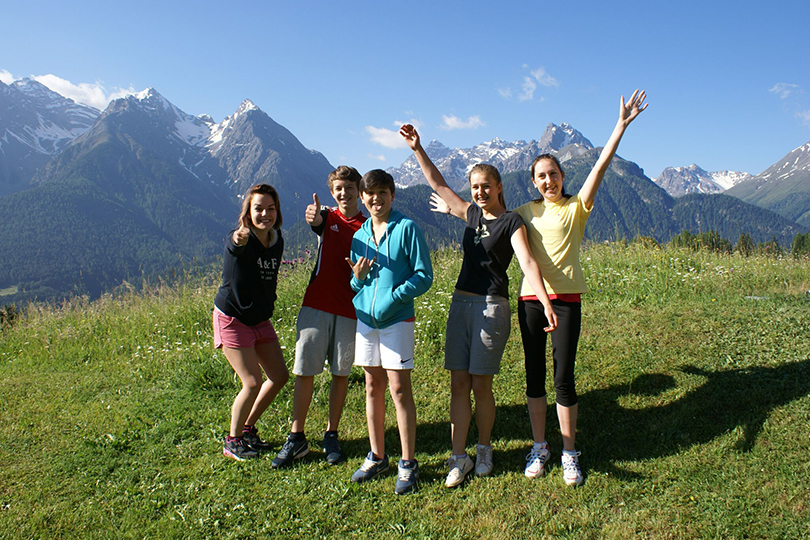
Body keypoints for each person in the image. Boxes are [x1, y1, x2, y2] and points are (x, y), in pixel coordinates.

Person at [400, 124, 558, 488]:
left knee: (481, 385)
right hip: (460, 304)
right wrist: (417, 149)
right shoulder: (470, 216)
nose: (480, 191)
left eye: (486, 185)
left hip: (492, 306)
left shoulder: (510, 222)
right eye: (475, 187)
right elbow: (439, 186)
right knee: (459, 382)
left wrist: (546, 302)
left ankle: (483, 449)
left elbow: (527, 263)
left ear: (499, 186)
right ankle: (460, 457)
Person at [516, 90, 648, 486]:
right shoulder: (523, 212)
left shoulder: (577, 207)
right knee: (534, 375)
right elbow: (480, 206)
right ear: (534, 182)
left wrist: (620, 125)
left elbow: (602, 167)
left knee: (564, 377)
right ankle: (541, 448)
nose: (548, 180)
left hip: (567, 300)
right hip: (529, 301)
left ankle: (570, 452)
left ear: (562, 177)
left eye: (554, 174)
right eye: (541, 176)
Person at [272, 166, 366, 468]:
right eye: (338, 188)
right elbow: (317, 221)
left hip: (351, 309)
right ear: (332, 192)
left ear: (359, 190)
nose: (344, 193)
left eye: (349, 187)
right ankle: (296, 436)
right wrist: (314, 217)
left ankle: (331, 434)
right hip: (316, 305)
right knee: (305, 371)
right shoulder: (328, 218)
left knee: (341, 373)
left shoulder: (368, 225)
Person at [346, 169, 433, 495]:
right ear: (362, 197)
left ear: (392, 195)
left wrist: (395, 297)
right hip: (366, 321)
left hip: (396, 319)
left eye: (382, 193)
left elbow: (424, 276)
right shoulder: (360, 235)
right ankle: (377, 455)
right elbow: (356, 282)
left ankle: (408, 463)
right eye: (370, 194)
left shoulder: (407, 228)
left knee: (398, 389)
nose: (375, 199)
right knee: (372, 386)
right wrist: (357, 280)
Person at [213, 184, 290, 461]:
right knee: (252, 381)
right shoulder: (240, 238)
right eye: (258, 208)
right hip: (233, 318)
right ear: (248, 212)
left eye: (271, 208)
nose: (265, 214)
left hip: (259, 319)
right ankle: (232, 441)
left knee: (279, 376)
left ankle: (247, 429)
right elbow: (235, 247)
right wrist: (239, 239)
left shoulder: (276, 239)